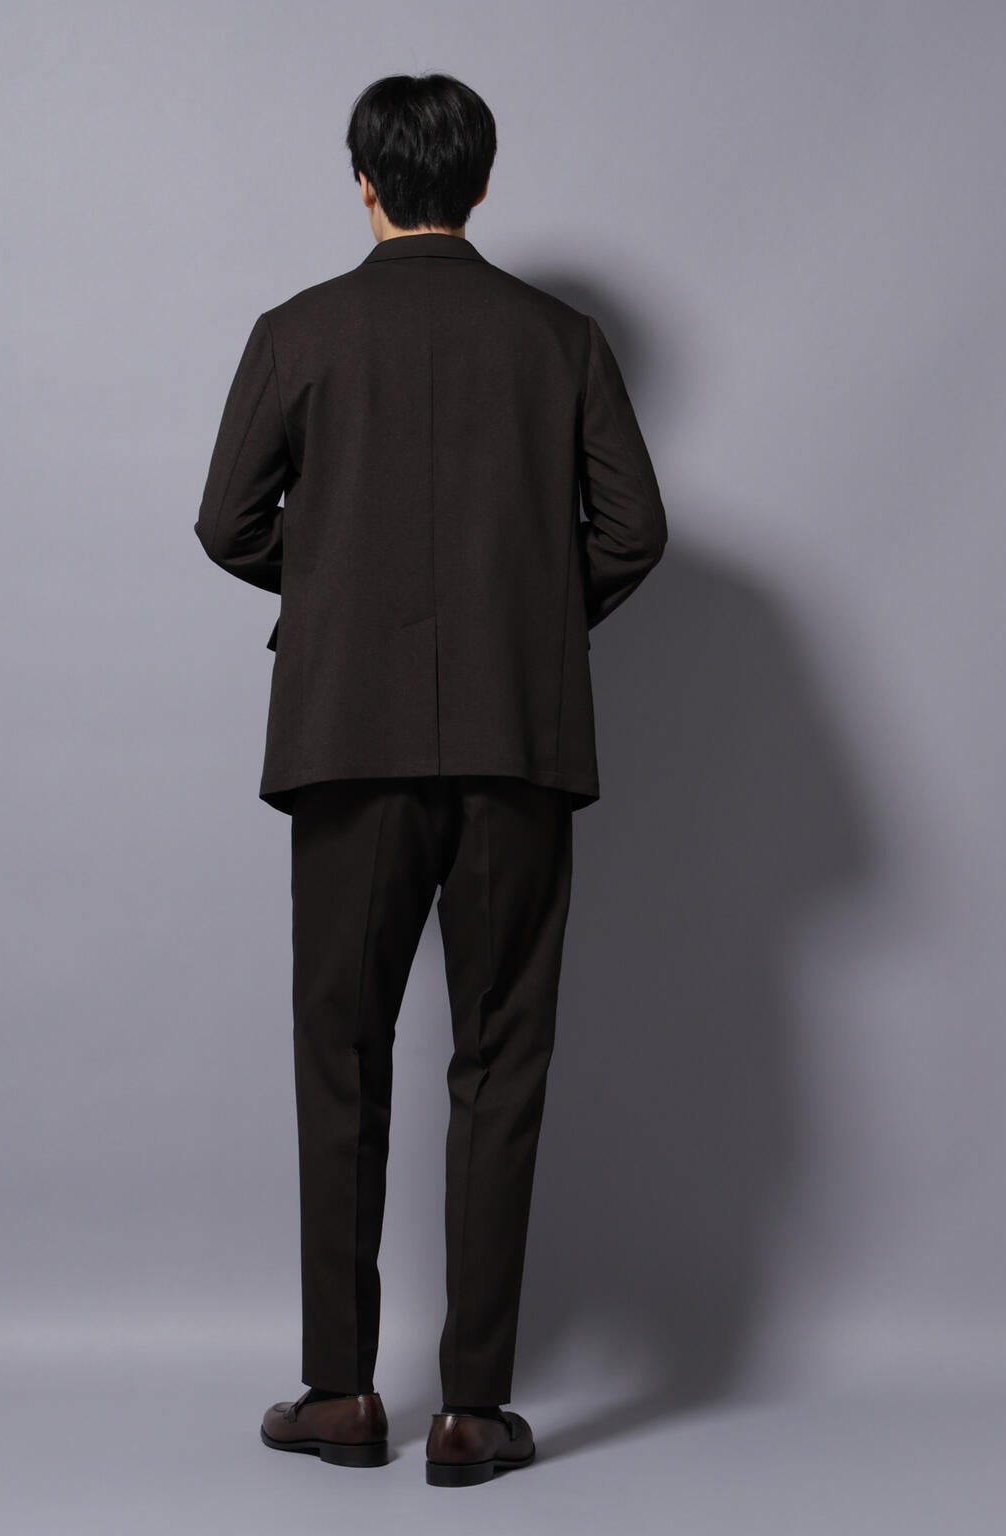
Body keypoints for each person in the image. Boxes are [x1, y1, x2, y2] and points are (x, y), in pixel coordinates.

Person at [194, 71, 666, 1487]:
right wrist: (526, 613)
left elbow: (227, 522)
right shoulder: (561, 338)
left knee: (338, 1058)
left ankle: (341, 1393)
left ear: (364, 182)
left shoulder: (298, 332)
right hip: (519, 745)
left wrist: (342, 583)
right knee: (501, 1063)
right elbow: (633, 529)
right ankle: (472, 1412)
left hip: (345, 743)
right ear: (481, 182)